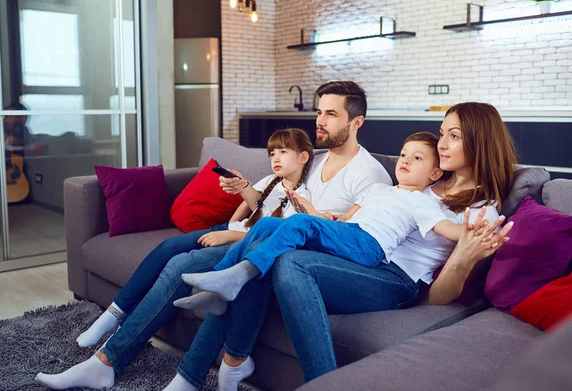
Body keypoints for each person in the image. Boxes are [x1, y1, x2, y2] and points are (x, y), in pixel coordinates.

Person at [35, 80, 393, 390]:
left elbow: (353, 240)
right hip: (264, 241)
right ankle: (110, 362)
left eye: (331, 114)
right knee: (180, 260)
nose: (320, 120)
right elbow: (276, 198)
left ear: (356, 121)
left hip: (296, 258)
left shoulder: (370, 174)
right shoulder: (312, 158)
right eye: (319, 111)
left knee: (184, 264)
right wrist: (245, 194)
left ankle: (114, 364)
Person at [164, 102, 517, 390]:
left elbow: (440, 297)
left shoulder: (482, 211)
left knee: (287, 262)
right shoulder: (417, 183)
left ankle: (313, 381)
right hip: (360, 257)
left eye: (453, 136)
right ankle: (196, 371)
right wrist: (330, 221)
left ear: (479, 142)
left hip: (396, 281)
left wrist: (467, 253)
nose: (441, 144)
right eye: (442, 134)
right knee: (272, 238)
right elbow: (368, 219)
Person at [35, 127, 315, 389]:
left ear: (303, 157)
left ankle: (108, 359)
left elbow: (272, 237)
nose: (275, 158)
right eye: (272, 153)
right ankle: (114, 314)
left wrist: (231, 236)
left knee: (179, 265)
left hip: (240, 245)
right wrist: (234, 213)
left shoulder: (304, 199)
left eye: (283, 152)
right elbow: (252, 205)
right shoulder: (271, 182)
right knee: (169, 247)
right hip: (230, 233)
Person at [178, 132, 471, 308]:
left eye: (418, 159)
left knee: (298, 225)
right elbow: (346, 218)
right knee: (268, 225)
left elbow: (448, 229)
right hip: (351, 233)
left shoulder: (422, 201)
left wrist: (472, 230)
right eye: (404, 154)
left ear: (434, 174)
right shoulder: (380, 189)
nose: (405, 160)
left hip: (370, 248)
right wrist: (320, 217)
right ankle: (218, 283)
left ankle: (238, 276)